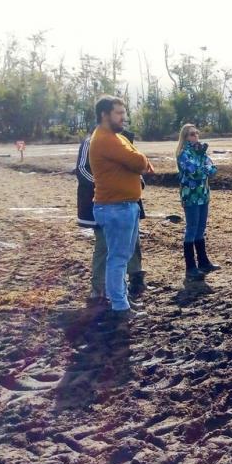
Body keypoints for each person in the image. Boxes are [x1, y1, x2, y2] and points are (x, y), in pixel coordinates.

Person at [88, 95, 154, 322]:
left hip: (123, 206)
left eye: (123, 113)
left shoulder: (115, 137)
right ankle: (119, 306)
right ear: (104, 115)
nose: (123, 117)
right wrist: (142, 161)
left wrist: (140, 161)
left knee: (121, 257)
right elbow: (137, 161)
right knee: (117, 259)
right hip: (116, 207)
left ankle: (121, 300)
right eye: (118, 113)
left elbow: (135, 159)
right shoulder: (106, 139)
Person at [76, 130, 146, 304]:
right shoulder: (91, 141)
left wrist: (136, 180)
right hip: (104, 202)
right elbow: (82, 169)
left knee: (132, 243)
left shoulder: (121, 140)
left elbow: (129, 166)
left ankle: (134, 280)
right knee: (104, 246)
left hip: (126, 201)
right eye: (118, 114)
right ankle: (99, 288)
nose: (122, 119)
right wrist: (106, 183)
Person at [176, 124, 220, 280]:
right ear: (185, 137)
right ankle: (190, 267)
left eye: (196, 133)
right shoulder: (184, 153)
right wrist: (204, 169)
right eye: (191, 134)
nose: (195, 136)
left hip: (203, 195)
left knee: (201, 228)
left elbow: (213, 169)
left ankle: (203, 262)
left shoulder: (200, 151)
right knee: (192, 228)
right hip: (191, 196)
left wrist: (204, 168)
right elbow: (194, 173)